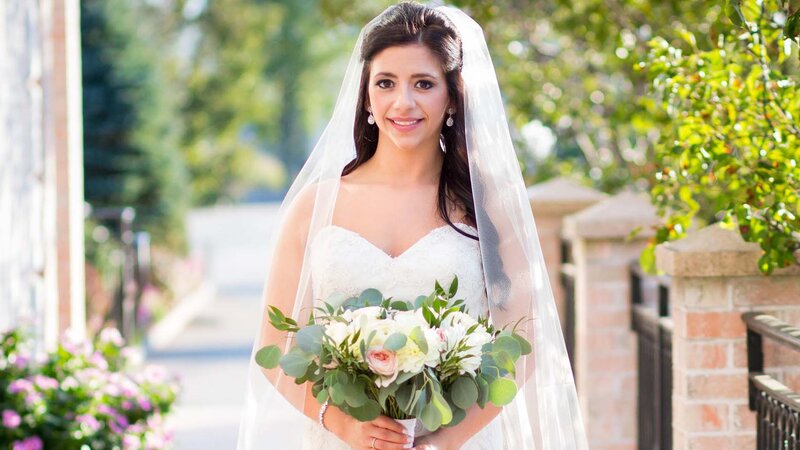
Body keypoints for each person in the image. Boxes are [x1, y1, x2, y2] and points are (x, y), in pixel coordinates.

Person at [237, 2, 588, 449]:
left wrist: (441, 442)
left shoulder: (487, 207)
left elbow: (525, 340)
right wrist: (345, 425)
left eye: (424, 83)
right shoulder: (315, 207)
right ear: (366, 96)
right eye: (386, 83)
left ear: (452, 97)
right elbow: (277, 349)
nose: (403, 102)